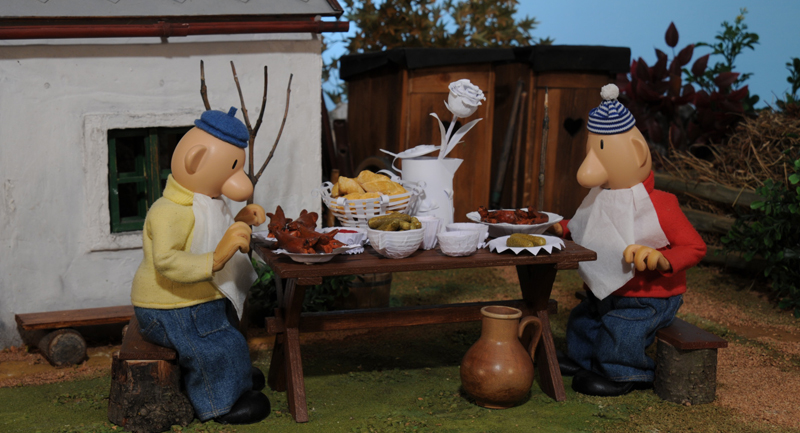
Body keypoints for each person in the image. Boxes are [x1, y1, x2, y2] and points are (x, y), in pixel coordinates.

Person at [551, 84, 706, 396]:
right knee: (585, 319)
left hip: (648, 297)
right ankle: (583, 360)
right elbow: (585, 223)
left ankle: (625, 373)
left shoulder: (661, 205)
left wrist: (664, 259)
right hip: (604, 291)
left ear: (637, 152)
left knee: (623, 327)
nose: (589, 168)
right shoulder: (599, 197)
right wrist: (561, 227)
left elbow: (694, 246)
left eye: (600, 153)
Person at [131, 107, 271, 423]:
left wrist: (240, 220)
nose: (240, 181)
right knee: (213, 347)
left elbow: (209, 235)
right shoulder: (168, 211)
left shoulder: (206, 202)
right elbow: (167, 261)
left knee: (229, 337)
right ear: (196, 161)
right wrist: (217, 258)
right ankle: (221, 404)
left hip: (197, 302)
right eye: (232, 168)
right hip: (170, 309)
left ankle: (237, 378)